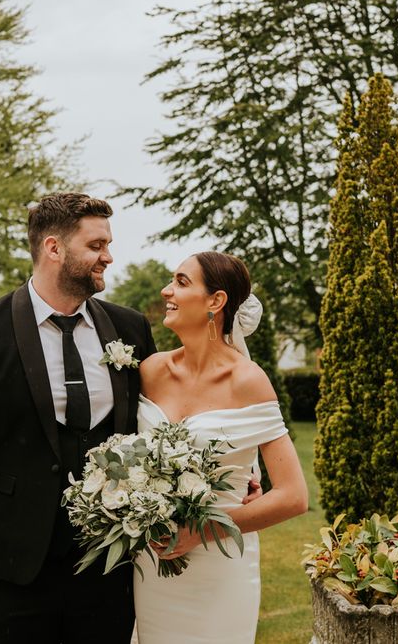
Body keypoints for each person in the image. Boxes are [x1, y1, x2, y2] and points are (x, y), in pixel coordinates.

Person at [0, 193, 157, 644]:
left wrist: (233, 475)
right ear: (53, 248)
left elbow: (162, 421)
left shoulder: (130, 328)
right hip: (18, 564)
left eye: (108, 244)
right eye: (96, 246)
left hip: (110, 561)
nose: (108, 257)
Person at [133, 251, 309, 644]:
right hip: (149, 564)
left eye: (181, 282)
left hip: (220, 565)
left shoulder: (247, 381)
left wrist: (201, 532)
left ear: (216, 301)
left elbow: (294, 495)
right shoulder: (150, 371)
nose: (167, 290)